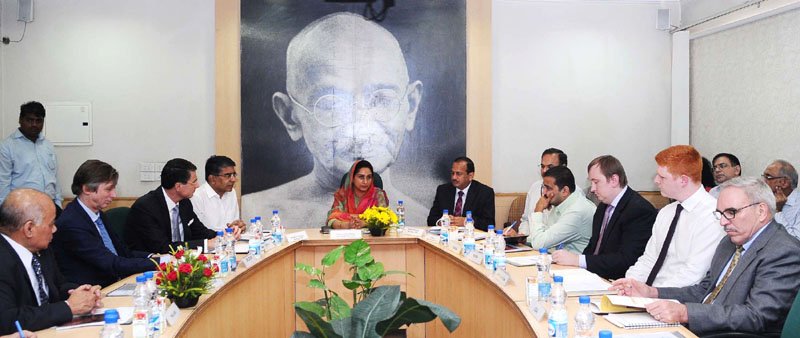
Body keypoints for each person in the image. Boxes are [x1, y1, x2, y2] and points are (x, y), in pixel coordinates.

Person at [241, 12, 427, 228]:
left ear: (411, 106)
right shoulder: (254, 213)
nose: (359, 128)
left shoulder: (425, 221)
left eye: (382, 99)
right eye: (331, 104)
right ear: (290, 116)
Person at [611, 177, 800, 334]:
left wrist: (687, 313)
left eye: (731, 212)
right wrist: (652, 293)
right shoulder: (729, 241)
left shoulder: (783, 251)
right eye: (720, 214)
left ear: (761, 211)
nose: (724, 222)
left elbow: (757, 316)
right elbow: (704, 290)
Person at [0, 189, 102, 334]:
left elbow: (57, 285)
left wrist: (81, 293)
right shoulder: (3, 261)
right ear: (29, 229)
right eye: (50, 224)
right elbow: (8, 320)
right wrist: (68, 307)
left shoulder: (41, 248)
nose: (54, 229)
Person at [624, 145, 725, 287]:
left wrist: (651, 294)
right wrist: (629, 284)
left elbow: (694, 274)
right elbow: (649, 259)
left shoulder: (713, 215)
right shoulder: (666, 212)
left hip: (678, 300)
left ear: (683, 180)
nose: (656, 181)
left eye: (662, 177)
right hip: (650, 295)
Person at [51, 160, 155, 287]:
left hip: (114, 282)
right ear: (87, 189)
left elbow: (124, 253)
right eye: (108, 189)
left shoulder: (98, 214)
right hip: (92, 291)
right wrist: (159, 263)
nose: (114, 195)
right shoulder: (72, 223)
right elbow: (111, 263)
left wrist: (156, 257)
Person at [552, 155, 657, 280]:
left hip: (618, 281)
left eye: (596, 182)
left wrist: (578, 260)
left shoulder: (639, 210)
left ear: (614, 180)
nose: (592, 189)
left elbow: (627, 260)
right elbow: (592, 248)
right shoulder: (603, 206)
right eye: (591, 182)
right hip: (594, 276)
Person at [126, 158, 234, 254]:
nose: (197, 186)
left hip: (181, 261)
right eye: (194, 182)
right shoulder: (146, 208)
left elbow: (200, 232)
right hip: (152, 265)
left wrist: (224, 235)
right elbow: (162, 247)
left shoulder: (184, 202)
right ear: (178, 186)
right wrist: (206, 244)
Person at [509, 166, 594, 253]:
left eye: (548, 188)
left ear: (564, 191)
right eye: (544, 187)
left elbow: (539, 244)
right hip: (559, 261)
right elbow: (542, 237)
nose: (544, 193)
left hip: (576, 265)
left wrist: (538, 210)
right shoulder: (561, 204)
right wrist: (518, 238)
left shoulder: (577, 211)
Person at [0, 101, 62, 214]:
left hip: (49, 206)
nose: (34, 124)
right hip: (22, 209)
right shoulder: (7, 147)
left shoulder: (48, 145)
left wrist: (58, 203)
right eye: (29, 120)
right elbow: (3, 183)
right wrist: (4, 213)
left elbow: (55, 178)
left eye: (38, 121)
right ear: (20, 120)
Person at [516, 148, 583, 236]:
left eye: (550, 167)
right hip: (532, 243)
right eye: (542, 166)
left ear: (563, 167)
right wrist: (521, 236)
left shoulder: (574, 193)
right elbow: (526, 220)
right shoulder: (535, 187)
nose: (544, 171)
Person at [427, 157, 495, 231]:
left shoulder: (484, 193)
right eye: (452, 173)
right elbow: (431, 219)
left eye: (458, 174)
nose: (454, 177)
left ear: (470, 176)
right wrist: (442, 222)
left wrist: (466, 221)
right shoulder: (443, 190)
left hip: (471, 238)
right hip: (447, 236)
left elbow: (489, 223)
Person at [190, 155, 246, 232]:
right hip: (209, 242)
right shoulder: (196, 196)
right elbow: (197, 232)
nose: (233, 179)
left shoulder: (232, 192)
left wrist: (238, 227)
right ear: (212, 179)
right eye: (227, 175)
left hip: (230, 241)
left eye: (234, 175)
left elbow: (234, 224)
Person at [327, 160, 389, 229]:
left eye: (369, 177)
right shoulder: (342, 195)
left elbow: (385, 219)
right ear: (352, 178)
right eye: (361, 177)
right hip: (347, 236)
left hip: (371, 238)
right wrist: (347, 225)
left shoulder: (378, 195)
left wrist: (365, 223)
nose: (365, 182)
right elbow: (332, 219)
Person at [762, 159, 799, 240]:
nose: (763, 181)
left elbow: (795, 242)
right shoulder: (765, 199)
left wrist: (778, 211)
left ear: (784, 183)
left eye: (768, 177)